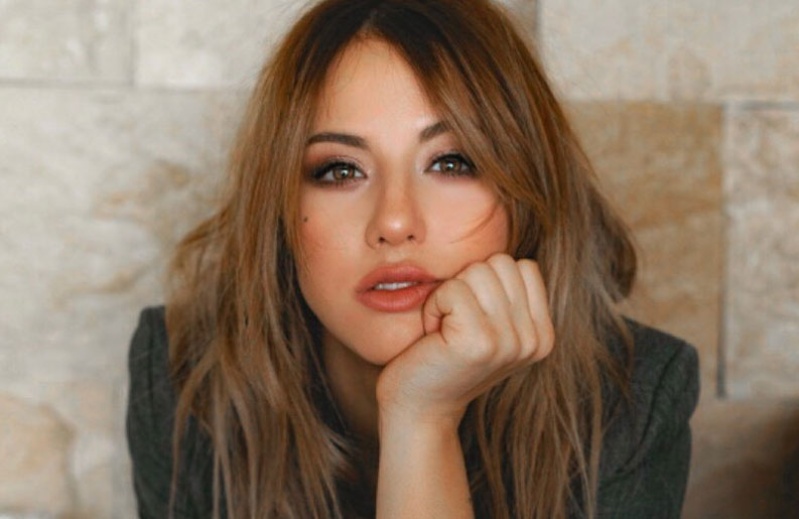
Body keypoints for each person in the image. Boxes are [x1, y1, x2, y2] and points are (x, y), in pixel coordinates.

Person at [126, 0, 699, 518]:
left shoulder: (634, 399)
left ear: (527, 198)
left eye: (452, 163)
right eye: (340, 170)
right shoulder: (184, 378)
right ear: (278, 208)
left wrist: (421, 419)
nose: (395, 222)